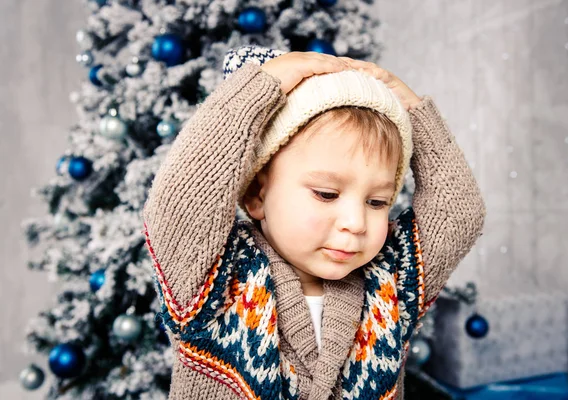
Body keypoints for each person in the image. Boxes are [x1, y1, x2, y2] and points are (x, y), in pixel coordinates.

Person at [142, 46, 486, 400]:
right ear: (257, 195)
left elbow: (457, 213)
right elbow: (181, 202)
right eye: (326, 194)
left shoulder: (392, 284)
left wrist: (414, 112)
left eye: (377, 202)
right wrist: (262, 87)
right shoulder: (216, 279)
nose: (355, 223)